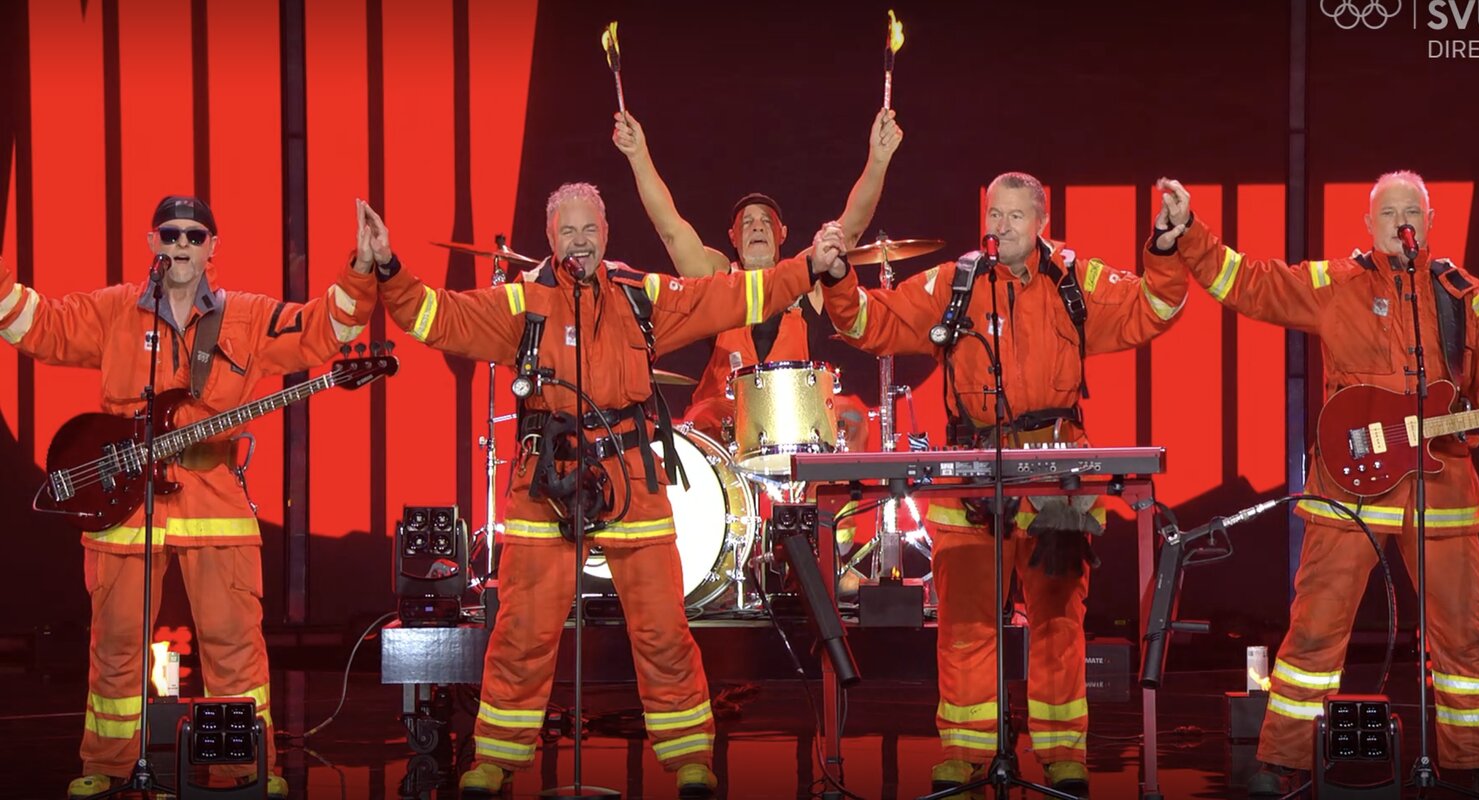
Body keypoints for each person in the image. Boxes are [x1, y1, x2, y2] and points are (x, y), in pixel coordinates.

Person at [371, 185, 841, 798]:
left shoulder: (640, 296)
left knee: (663, 630)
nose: (580, 242)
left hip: (631, 477)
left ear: (606, 233)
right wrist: (388, 267)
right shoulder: (522, 302)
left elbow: (731, 296)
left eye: (589, 230)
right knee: (521, 632)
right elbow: (437, 317)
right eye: (568, 231)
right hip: (546, 481)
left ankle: (689, 757)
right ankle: (495, 757)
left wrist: (805, 267)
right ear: (550, 238)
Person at [1154, 173, 1479, 799]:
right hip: (1351, 483)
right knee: (1316, 626)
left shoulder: (1466, 294)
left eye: (1412, 211)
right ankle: (1282, 759)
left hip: (1442, 489)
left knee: (1464, 632)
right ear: (1368, 224)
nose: (1402, 222)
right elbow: (1251, 283)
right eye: (1388, 212)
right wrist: (1190, 234)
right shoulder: (1336, 283)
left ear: (1431, 220)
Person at [813, 172, 1191, 796]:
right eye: (994, 213)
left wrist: (1167, 247)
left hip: (1058, 477)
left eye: (1016, 216)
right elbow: (870, 323)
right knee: (965, 624)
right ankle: (964, 753)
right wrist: (836, 279)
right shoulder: (953, 283)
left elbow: (1154, 307)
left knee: (1059, 623)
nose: (1001, 226)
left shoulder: (1075, 280)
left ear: (1042, 222)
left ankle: (1063, 755)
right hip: (967, 478)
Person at [0, 195, 379, 798]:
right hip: (124, 504)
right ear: (152, 242)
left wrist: (360, 266)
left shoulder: (246, 316)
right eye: (171, 233)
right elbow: (37, 326)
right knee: (115, 646)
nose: (181, 244)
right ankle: (108, 766)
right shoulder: (114, 309)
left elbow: (323, 330)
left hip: (214, 502)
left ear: (212, 247)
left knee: (234, 650)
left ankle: (243, 770)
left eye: (194, 236)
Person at [611, 108, 903, 441]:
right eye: (747, 222)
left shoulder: (806, 275)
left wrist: (878, 160)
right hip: (723, 418)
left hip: (796, 413)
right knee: (698, 420)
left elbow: (849, 230)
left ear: (783, 233)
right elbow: (672, 231)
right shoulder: (717, 276)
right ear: (733, 238)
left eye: (766, 221)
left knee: (853, 416)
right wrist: (638, 155)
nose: (757, 226)